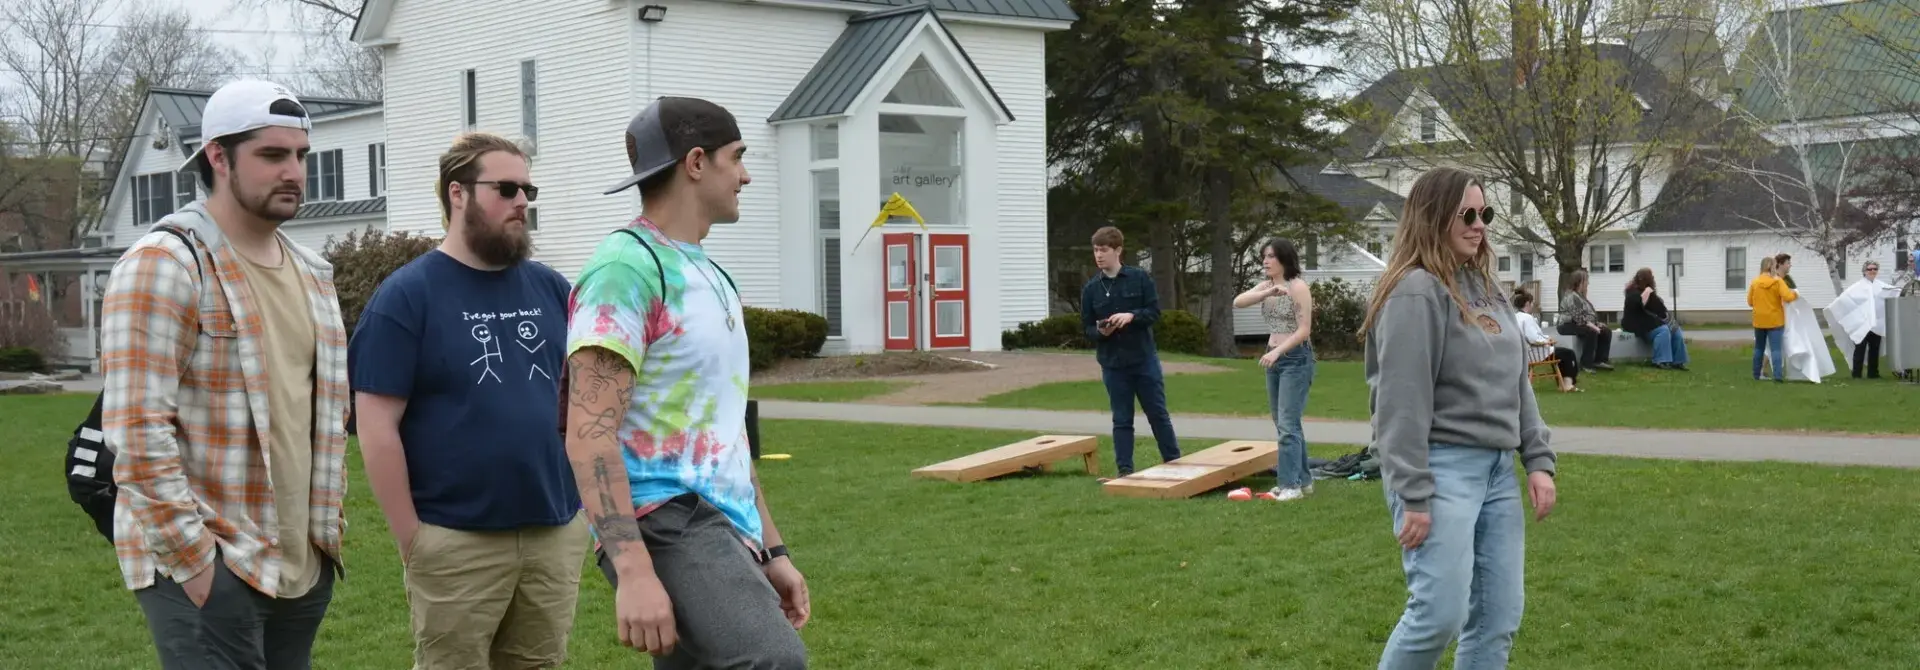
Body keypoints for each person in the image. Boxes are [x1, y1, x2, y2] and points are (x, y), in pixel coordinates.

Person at [101, 79, 350, 670]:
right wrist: (196, 564)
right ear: (218, 156)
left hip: (300, 567)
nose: (293, 171)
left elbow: (323, 419)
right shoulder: (165, 265)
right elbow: (136, 431)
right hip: (210, 567)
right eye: (271, 155)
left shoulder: (313, 274)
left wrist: (320, 545)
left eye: (300, 156)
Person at [563, 97, 808, 668]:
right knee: (775, 661)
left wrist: (773, 549)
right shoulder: (625, 269)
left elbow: (725, 434)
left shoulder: (710, 274)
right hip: (665, 517)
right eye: (737, 157)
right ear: (696, 162)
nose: (745, 174)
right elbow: (589, 433)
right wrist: (633, 571)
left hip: (722, 523)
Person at [346, 132, 589, 668]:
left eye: (528, 189)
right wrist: (413, 540)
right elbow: (377, 425)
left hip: (553, 533)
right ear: (458, 194)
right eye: (506, 188)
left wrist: (581, 516)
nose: (522, 201)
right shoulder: (407, 297)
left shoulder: (553, 290)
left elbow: (582, 404)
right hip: (456, 541)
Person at [1360, 167, 1559, 670]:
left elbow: (1517, 381)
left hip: (1496, 472)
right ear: (1433, 218)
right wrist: (1414, 493)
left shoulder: (1485, 288)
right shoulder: (1415, 291)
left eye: (1484, 214)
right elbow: (1400, 403)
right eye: (1466, 215)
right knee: (1438, 614)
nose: (1479, 225)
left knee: (1497, 619)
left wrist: (1537, 459)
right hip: (1440, 467)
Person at [1080, 226, 1182, 480]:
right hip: (1113, 364)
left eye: (1104, 250)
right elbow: (1086, 328)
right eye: (1095, 250)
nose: (1099, 255)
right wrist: (1100, 332)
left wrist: (1131, 316)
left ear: (1118, 250)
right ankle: (1125, 471)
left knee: (1157, 414)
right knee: (1122, 419)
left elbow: (1154, 313)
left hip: (1143, 359)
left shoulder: (1139, 278)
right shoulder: (1091, 289)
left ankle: (1175, 463)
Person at [1231, 238, 1315, 501]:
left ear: (1284, 259)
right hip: (1273, 358)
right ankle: (1304, 480)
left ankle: (1290, 486)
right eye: (1263, 257)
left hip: (1296, 358)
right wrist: (1267, 293)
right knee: (1284, 424)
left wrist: (1279, 351)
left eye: (1270, 257)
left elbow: (1304, 330)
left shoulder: (1298, 287)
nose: (1265, 261)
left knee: (1288, 425)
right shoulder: (1267, 286)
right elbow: (1238, 302)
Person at [1826, 260, 1898, 379]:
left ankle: (1873, 373)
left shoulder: (1881, 286)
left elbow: (1892, 292)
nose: (1872, 271)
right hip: (1861, 324)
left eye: (1875, 269)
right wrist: (1834, 308)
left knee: (1874, 350)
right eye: (1870, 269)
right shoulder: (1857, 287)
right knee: (1860, 349)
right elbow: (1846, 299)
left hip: (1876, 324)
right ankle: (1856, 373)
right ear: (1865, 271)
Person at [1620, 268, 1689, 371]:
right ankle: (1661, 360)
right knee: (1663, 331)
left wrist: (1670, 321)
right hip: (1637, 325)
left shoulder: (1651, 294)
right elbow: (1638, 304)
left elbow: (1661, 310)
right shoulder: (1631, 292)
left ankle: (1678, 361)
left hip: (1650, 324)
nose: (1653, 280)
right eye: (1651, 278)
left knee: (1676, 331)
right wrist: (1647, 292)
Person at [1512, 290, 1580, 393]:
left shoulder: (1515, 317)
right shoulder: (1527, 318)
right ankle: (1568, 383)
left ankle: (1563, 384)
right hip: (1535, 352)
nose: (1532, 306)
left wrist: (1545, 339)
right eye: (1532, 303)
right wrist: (1547, 341)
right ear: (1527, 304)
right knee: (1568, 353)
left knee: (1561, 354)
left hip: (1525, 352)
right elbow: (1533, 338)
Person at [1749, 256, 1796, 383]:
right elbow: (1788, 297)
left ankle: (1756, 374)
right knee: (1776, 349)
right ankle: (1778, 376)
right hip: (1775, 320)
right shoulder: (1777, 281)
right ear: (1771, 267)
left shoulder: (1755, 282)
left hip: (1759, 320)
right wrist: (1795, 294)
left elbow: (1749, 301)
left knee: (1759, 348)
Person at [1555, 269, 1613, 372]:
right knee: (1591, 332)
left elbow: (1589, 314)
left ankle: (1600, 360)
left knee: (1606, 331)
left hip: (1580, 323)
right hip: (1566, 325)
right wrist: (1593, 326)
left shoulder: (1581, 297)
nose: (1588, 283)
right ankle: (1586, 364)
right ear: (1579, 282)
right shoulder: (1571, 296)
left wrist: (1597, 324)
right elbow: (1578, 317)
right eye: (1586, 281)